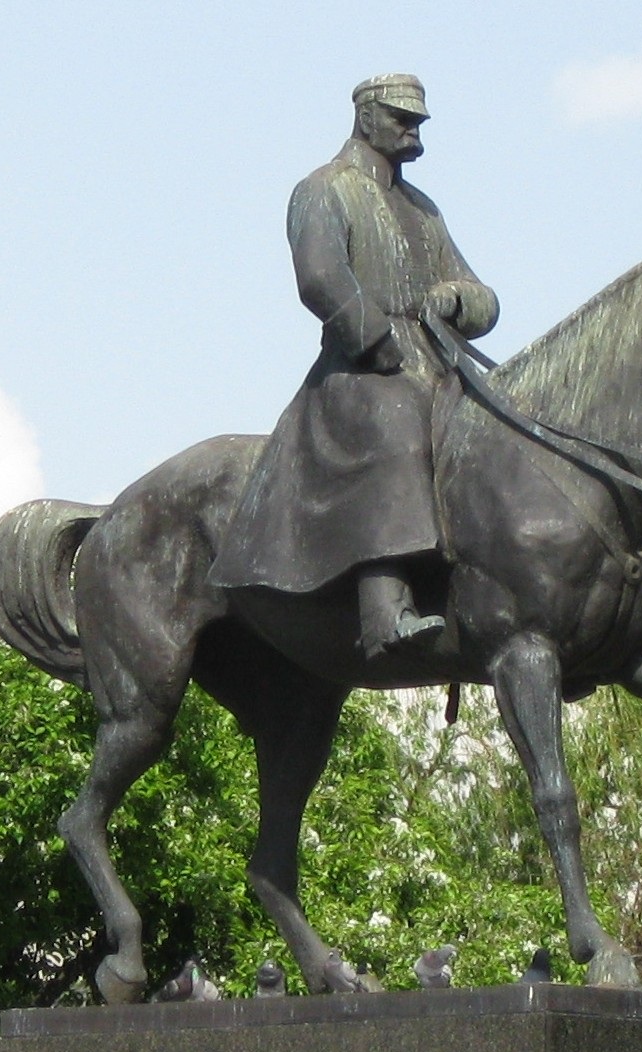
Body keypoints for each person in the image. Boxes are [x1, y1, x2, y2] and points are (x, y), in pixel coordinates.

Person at [209, 74, 499, 659]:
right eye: (401, 118)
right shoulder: (323, 189)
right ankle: (385, 611)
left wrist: (457, 299)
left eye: (418, 120)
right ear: (366, 117)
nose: (413, 130)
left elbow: (480, 293)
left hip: (438, 363)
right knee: (395, 427)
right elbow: (320, 277)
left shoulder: (423, 209)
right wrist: (376, 341)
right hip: (361, 370)